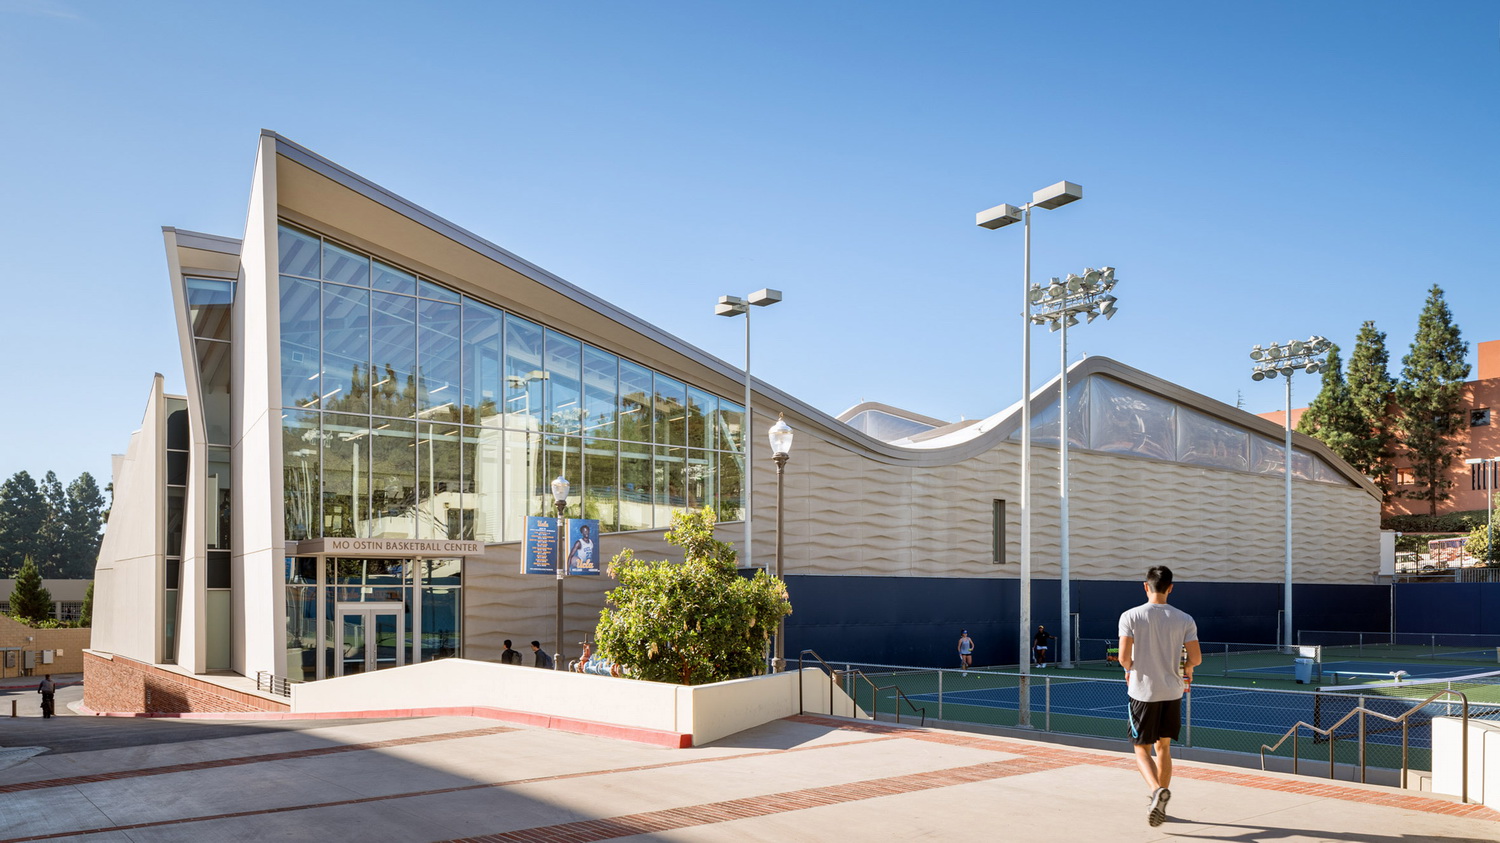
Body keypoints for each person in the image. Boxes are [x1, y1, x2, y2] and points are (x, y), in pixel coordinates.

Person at [1118, 565, 1202, 828]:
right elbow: (1196, 658)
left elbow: (1123, 658)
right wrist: (1186, 669)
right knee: (1163, 747)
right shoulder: (1185, 619)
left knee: (1140, 747)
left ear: (1146, 586)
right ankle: (1160, 803)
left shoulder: (1130, 616)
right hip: (1172, 691)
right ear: (1170, 587)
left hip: (1143, 692)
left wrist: (1129, 669)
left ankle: (1156, 791)